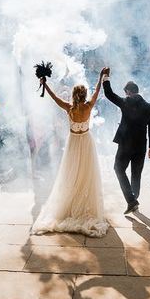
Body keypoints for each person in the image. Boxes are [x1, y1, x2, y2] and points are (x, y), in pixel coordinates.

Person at [31, 67, 110, 237]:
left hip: (74, 142)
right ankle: (85, 206)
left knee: (71, 174)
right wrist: (100, 75)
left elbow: (53, 98)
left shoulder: (69, 108)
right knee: (87, 175)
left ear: (74, 95)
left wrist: (45, 85)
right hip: (86, 142)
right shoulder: (89, 106)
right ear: (84, 95)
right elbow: (97, 91)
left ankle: (70, 205)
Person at [102, 68, 150, 214]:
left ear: (127, 91)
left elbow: (108, 94)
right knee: (136, 174)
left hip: (126, 144)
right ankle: (134, 198)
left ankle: (131, 201)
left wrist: (106, 77)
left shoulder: (125, 102)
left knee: (118, 169)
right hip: (141, 145)